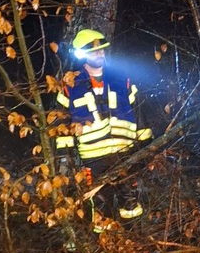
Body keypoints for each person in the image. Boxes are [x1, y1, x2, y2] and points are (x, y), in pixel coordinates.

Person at [56, 28, 152, 227]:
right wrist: (65, 163)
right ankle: (103, 252)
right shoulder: (70, 86)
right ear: (82, 54)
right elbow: (61, 128)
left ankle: (135, 247)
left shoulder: (122, 80)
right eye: (94, 51)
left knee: (132, 205)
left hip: (126, 153)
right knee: (99, 209)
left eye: (102, 50)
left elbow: (140, 115)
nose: (100, 53)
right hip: (93, 159)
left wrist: (147, 151)